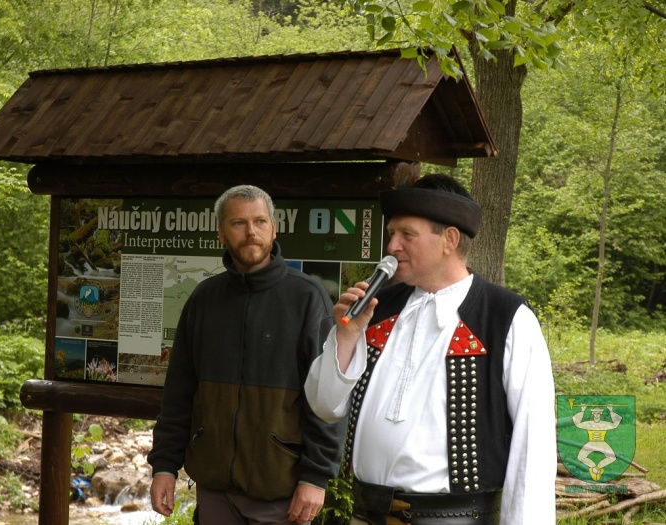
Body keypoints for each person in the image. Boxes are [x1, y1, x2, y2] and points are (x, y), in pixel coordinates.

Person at [304, 174, 556, 525]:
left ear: (449, 240)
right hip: (366, 515)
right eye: (392, 233)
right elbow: (325, 405)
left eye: (407, 235)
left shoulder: (504, 317)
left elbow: (533, 444)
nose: (392, 246)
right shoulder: (377, 309)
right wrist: (345, 338)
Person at [148, 185, 344, 525]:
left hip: (279, 489)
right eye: (239, 223)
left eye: (260, 221)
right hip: (214, 491)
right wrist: (165, 465)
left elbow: (328, 399)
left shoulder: (307, 299)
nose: (251, 232)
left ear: (274, 228)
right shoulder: (204, 299)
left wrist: (315, 477)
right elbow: (179, 391)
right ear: (221, 233)